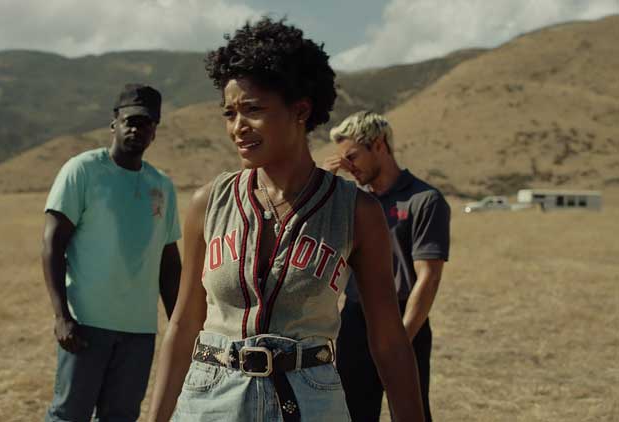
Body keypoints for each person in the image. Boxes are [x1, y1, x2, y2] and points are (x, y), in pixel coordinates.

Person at [149, 18, 424, 422]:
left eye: (253, 110)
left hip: (310, 401)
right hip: (210, 400)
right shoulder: (209, 203)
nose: (238, 128)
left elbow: (388, 338)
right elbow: (184, 322)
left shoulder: (356, 212)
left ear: (301, 110)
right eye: (229, 113)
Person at [41, 83, 182, 422]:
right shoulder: (83, 170)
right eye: (130, 121)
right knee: (69, 414)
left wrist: (180, 325)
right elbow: (52, 245)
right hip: (86, 324)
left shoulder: (161, 186)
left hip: (139, 331)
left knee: (121, 416)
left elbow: (169, 265)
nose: (137, 129)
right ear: (114, 123)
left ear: (155, 131)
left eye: (146, 123)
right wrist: (62, 316)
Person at [324, 111, 451, 422]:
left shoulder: (425, 200)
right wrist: (324, 185)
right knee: (351, 414)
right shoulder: (353, 203)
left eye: (352, 156)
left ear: (379, 145)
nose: (348, 167)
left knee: (408, 414)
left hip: (404, 319)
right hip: (356, 320)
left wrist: (398, 342)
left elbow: (428, 278)